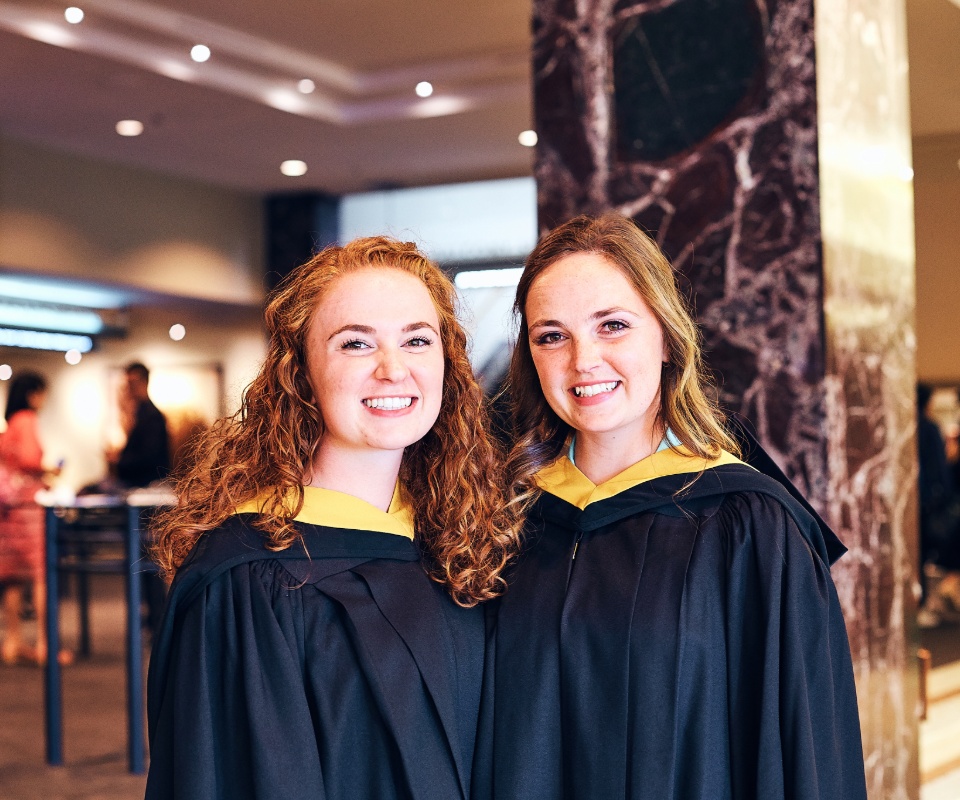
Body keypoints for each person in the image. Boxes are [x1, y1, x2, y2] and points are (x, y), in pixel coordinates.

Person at [478, 213, 866, 799]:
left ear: (665, 336)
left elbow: (805, 752)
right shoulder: (508, 521)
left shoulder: (747, 525)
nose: (583, 360)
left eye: (612, 326)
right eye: (551, 335)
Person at [145, 236, 520, 800]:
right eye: (355, 345)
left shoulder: (459, 541)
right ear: (301, 374)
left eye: (417, 340)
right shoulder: (253, 577)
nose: (393, 370)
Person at [0, 372, 68, 666]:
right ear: (32, 394)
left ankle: (12, 641)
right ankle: (45, 643)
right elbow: (29, 460)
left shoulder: (8, 427)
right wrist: (47, 472)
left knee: (11, 577)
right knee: (41, 576)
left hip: (7, 511)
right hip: (29, 511)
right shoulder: (27, 421)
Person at [107, 362, 171, 488]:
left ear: (144, 382)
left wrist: (119, 460)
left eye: (133, 383)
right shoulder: (139, 413)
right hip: (140, 484)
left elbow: (150, 457)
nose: (129, 388)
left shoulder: (151, 416)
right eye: (128, 384)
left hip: (146, 485)